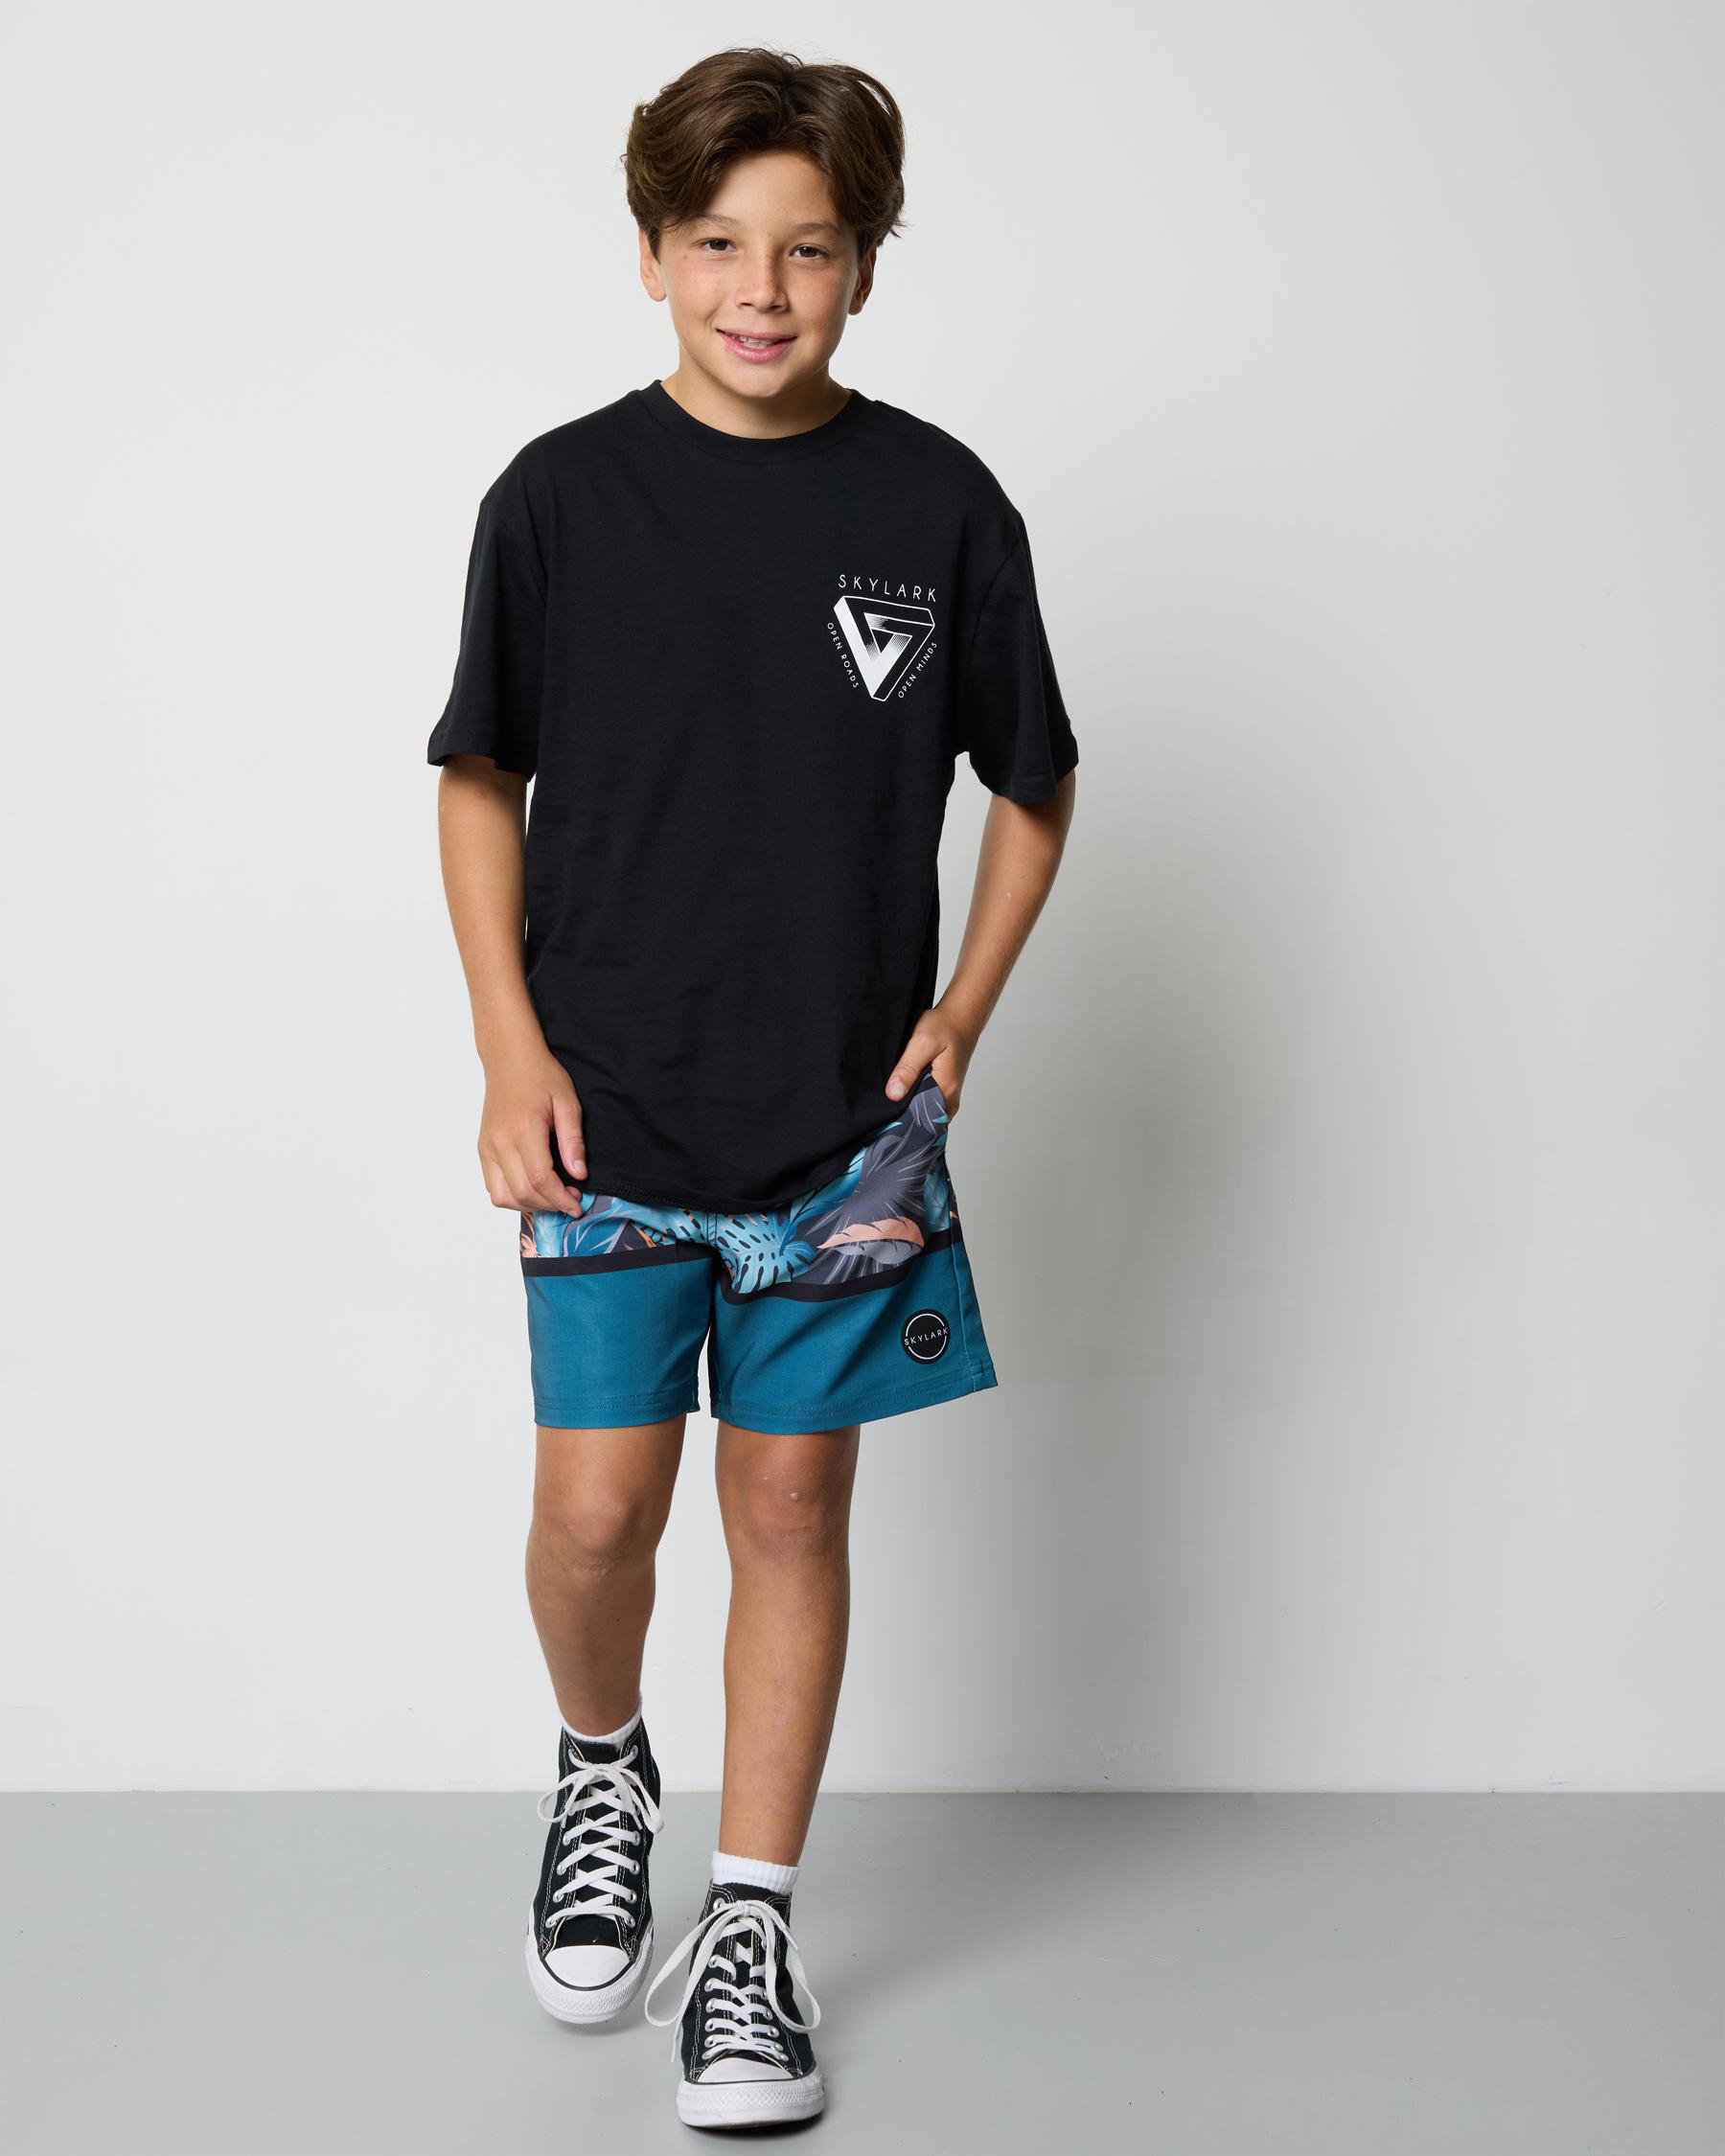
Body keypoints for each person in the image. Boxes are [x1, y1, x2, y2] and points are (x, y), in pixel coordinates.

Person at [427, 45, 1078, 2133]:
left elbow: (1036, 781)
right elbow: (476, 775)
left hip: (839, 1128)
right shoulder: (557, 499)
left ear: (865, 267)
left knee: (790, 1507)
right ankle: (601, 1764)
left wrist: (965, 1010)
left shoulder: (939, 505)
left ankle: (754, 1927)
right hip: (604, 1108)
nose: (762, 288)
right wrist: (508, 1043)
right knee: (594, 1510)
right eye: (718, 244)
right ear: (650, 256)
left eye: (808, 248)